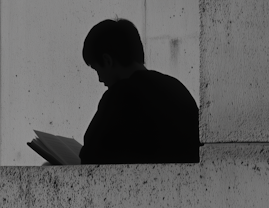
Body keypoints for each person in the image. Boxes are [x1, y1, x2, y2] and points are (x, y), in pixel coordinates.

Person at [79, 18, 200, 164]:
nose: (100, 79)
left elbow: (89, 156)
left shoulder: (120, 95)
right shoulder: (176, 88)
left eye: (97, 69)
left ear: (107, 60)